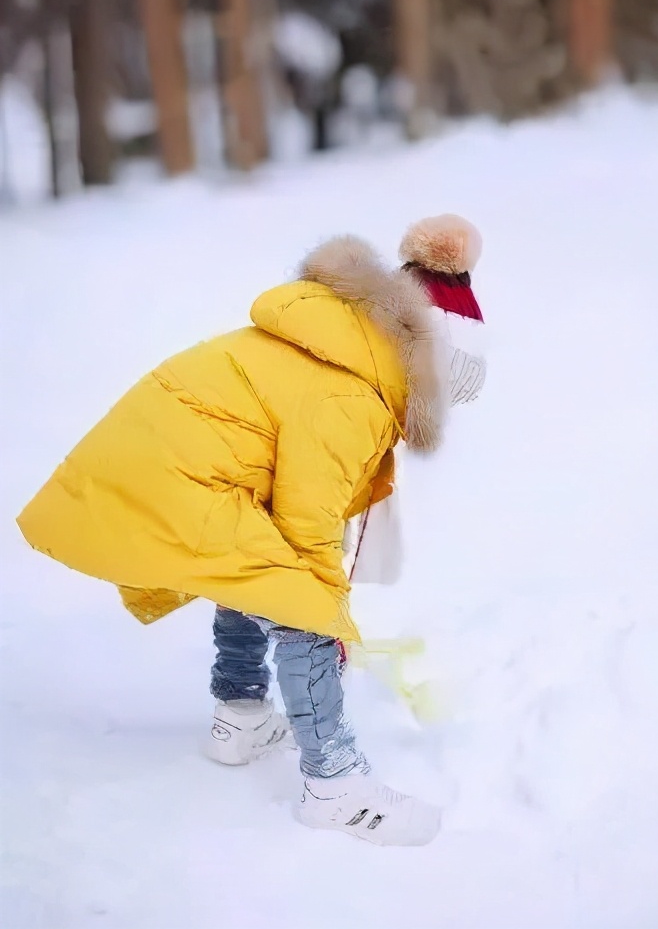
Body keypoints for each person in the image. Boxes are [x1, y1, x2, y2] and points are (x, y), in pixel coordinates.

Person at [16, 215, 486, 847]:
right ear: (423, 370)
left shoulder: (337, 346)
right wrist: (331, 619)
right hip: (176, 479)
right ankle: (335, 786)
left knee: (256, 559)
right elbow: (308, 528)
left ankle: (239, 719)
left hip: (165, 467)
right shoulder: (350, 397)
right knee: (301, 602)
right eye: (443, 393)